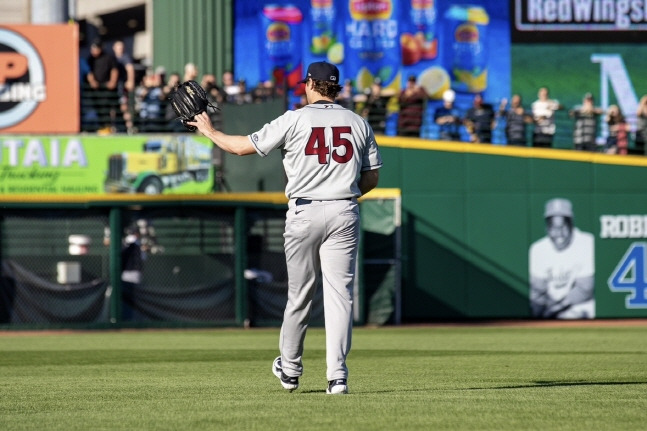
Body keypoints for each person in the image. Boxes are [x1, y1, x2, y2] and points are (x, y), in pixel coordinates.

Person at [187, 61, 382, 395]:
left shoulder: (295, 118)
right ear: (336, 87)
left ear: (309, 84)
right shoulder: (358, 122)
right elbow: (372, 176)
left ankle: (290, 370)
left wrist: (209, 131)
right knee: (340, 299)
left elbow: (240, 147)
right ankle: (337, 377)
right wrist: (341, 195)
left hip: (305, 211)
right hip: (344, 210)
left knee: (300, 295)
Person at [529, 198, 595, 319]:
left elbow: (586, 289)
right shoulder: (538, 249)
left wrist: (556, 308)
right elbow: (538, 291)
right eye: (554, 228)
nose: (559, 233)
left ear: (571, 226)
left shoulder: (586, 242)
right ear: (547, 229)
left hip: (579, 306)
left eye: (563, 227)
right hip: (549, 307)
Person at [86, 38, 119, 132]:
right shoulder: (90, 59)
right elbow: (89, 72)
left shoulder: (109, 57)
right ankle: (101, 128)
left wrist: (112, 82)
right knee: (98, 109)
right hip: (96, 90)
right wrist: (92, 82)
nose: (94, 51)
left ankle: (109, 128)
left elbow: (114, 70)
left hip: (107, 89)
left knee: (108, 109)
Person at [112, 40, 136, 133]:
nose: (120, 49)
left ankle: (129, 127)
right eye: (118, 47)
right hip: (114, 87)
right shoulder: (113, 58)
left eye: (121, 47)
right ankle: (113, 127)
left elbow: (130, 69)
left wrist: (130, 81)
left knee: (124, 107)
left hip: (121, 87)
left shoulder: (125, 57)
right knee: (113, 108)